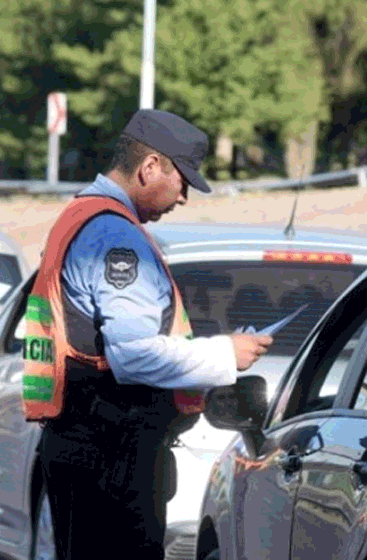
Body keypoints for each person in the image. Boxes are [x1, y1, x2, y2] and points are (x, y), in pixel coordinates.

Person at [22, 109, 273, 560]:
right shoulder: (117, 237)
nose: (183, 198)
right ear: (150, 167)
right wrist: (224, 354)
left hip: (84, 439)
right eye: (183, 182)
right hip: (112, 451)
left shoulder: (80, 215)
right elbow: (134, 355)